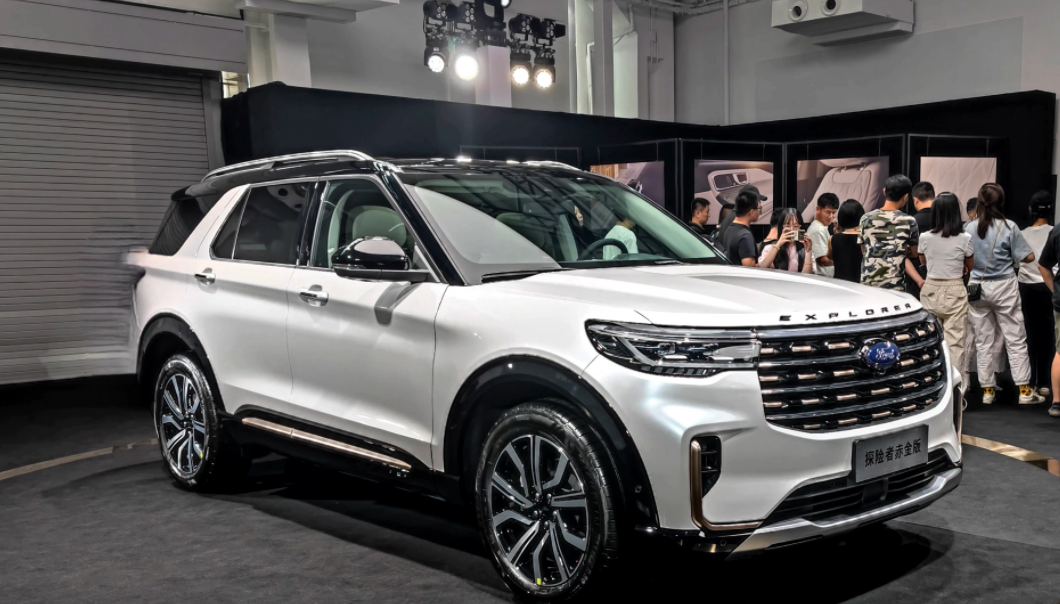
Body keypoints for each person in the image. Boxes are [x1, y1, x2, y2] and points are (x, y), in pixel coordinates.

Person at [965, 183, 1043, 405]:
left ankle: (987, 391)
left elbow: (966, 256)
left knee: (983, 340)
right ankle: (1024, 391)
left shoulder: (970, 227)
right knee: (1015, 338)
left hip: (977, 286)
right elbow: (1028, 257)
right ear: (1001, 202)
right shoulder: (1009, 226)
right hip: (1004, 285)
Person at [917, 192, 974, 389]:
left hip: (931, 288)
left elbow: (923, 262)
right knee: (955, 344)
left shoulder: (924, 237)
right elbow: (969, 265)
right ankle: (955, 392)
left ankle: (930, 387)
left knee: (929, 343)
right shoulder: (965, 238)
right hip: (955, 288)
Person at [1019, 190, 1055, 398]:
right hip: (1050, 287)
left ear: (1031, 210)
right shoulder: (1055, 232)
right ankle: (1045, 382)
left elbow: (1017, 262)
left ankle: (1031, 381)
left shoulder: (1022, 234)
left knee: (1030, 336)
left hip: (1027, 288)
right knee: (1050, 337)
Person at [859, 175, 920, 290]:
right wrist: (898, 251)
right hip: (894, 284)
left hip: (868, 283)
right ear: (905, 197)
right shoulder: (909, 221)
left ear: (884, 191)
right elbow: (915, 253)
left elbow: (864, 250)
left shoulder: (865, 218)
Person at [1034, 218, 1060, 418]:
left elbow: (1043, 265)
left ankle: (1057, 403)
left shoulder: (1058, 231)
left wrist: (1055, 291)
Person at [758, 208, 815, 273]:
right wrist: (778, 244)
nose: (791, 229)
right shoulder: (770, 248)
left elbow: (808, 275)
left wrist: (808, 252)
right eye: (787, 226)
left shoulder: (805, 250)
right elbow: (762, 267)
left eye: (796, 226)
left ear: (800, 228)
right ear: (781, 227)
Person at [904, 181, 936, 297]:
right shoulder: (945, 221)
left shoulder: (910, 222)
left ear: (915, 200)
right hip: (942, 277)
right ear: (934, 197)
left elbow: (905, 254)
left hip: (916, 280)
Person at [721, 189, 762, 266]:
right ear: (751, 212)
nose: (759, 212)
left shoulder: (729, 229)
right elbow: (749, 268)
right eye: (759, 208)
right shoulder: (745, 236)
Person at [828, 200, 865, 283]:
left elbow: (831, 257)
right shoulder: (865, 238)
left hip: (839, 284)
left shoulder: (833, 238)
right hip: (859, 284)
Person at [806, 193, 838, 277]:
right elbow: (823, 260)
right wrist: (844, 262)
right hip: (823, 278)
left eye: (834, 212)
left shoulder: (821, 227)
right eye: (828, 212)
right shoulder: (818, 229)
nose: (831, 216)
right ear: (818, 209)